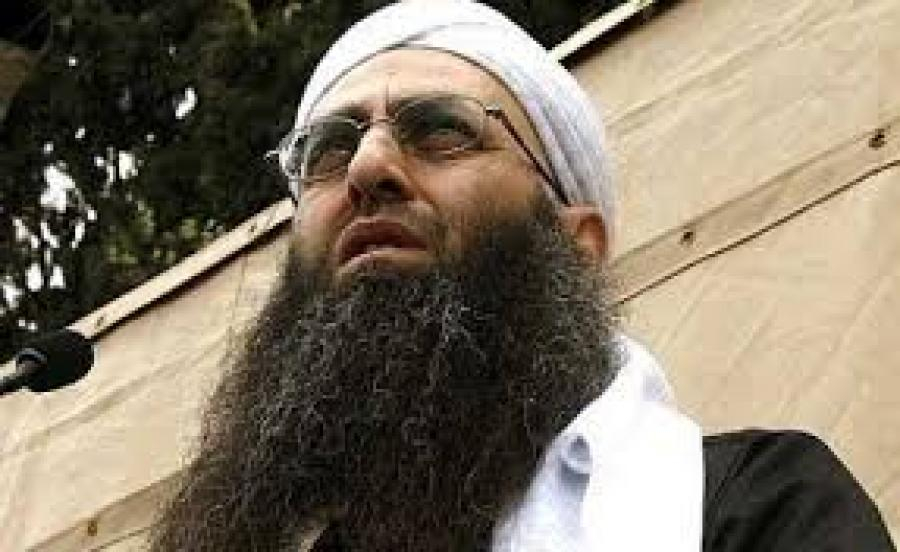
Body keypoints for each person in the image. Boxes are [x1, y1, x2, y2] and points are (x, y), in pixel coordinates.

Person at [148, 1, 895, 550]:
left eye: (442, 130)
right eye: (328, 151)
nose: (368, 167)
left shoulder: (752, 508)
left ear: (575, 246)